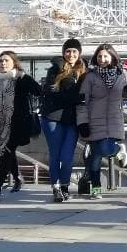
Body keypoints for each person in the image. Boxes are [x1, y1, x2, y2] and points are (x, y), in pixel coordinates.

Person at [0, 50, 42, 203]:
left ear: (14, 63)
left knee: (7, 150)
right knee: (7, 151)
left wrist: (24, 76)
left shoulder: (21, 79)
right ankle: (17, 178)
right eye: (1, 61)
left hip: (18, 123)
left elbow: (38, 91)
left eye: (6, 61)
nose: (3, 63)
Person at [77, 43, 127, 199]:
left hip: (114, 121)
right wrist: (82, 122)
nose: (102, 59)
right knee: (94, 160)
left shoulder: (121, 75)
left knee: (105, 150)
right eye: (99, 56)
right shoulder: (90, 77)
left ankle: (118, 151)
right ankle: (96, 190)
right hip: (94, 121)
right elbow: (82, 101)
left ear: (112, 57)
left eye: (105, 56)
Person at [41, 37, 86, 202]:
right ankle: (56, 188)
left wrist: (72, 97)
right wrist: (76, 97)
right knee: (55, 155)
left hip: (73, 119)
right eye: (68, 51)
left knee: (67, 157)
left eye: (74, 51)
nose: (71, 54)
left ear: (79, 53)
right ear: (63, 52)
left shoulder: (84, 70)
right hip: (53, 118)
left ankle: (65, 185)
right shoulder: (56, 68)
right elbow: (53, 94)